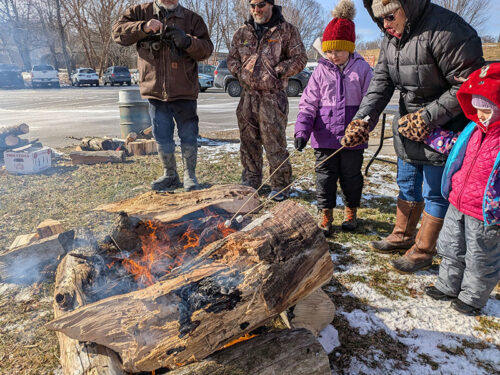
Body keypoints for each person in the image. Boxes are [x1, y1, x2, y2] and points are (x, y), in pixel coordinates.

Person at [341, 0, 484, 273]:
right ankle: (402, 235)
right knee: (407, 181)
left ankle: (423, 249)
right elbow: (380, 84)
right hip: (409, 124)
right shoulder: (390, 37)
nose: (385, 24)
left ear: (407, 6)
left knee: (434, 191)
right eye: (379, 19)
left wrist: (427, 118)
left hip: (445, 125)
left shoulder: (447, 30)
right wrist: (363, 120)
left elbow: (468, 84)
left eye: (390, 16)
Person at [112, 0, 214, 192]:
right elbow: (118, 33)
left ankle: (189, 175)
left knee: (188, 135)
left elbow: (207, 49)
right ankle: (170, 175)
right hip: (156, 92)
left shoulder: (192, 19)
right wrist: (143, 27)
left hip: (184, 90)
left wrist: (188, 42)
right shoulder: (140, 12)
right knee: (162, 136)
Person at [424, 63, 500, 315]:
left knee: (480, 256)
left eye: (487, 112)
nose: (481, 116)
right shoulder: (473, 130)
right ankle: (448, 285)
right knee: (450, 246)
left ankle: (472, 297)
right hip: (458, 200)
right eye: (477, 110)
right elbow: (453, 145)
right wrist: (428, 134)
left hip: (486, 211)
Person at [294, 0, 373, 235]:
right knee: (325, 178)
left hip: (352, 139)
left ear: (349, 47)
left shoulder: (362, 70)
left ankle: (351, 211)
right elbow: (308, 103)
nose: (333, 55)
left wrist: (363, 127)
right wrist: (302, 131)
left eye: (338, 50)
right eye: (328, 50)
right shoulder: (320, 71)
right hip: (324, 137)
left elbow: (371, 102)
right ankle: (326, 213)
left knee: (351, 176)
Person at [227, 0, 307, 201]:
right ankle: (251, 181)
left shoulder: (287, 31)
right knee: (248, 142)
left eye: (260, 4)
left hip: (273, 97)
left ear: (271, 4)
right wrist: (239, 72)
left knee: (275, 143)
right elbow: (231, 59)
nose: (256, 10)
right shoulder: (242, 33)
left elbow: (300, 58)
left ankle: (280, 185)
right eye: (252, 5)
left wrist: (279, 71)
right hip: (247, 97)